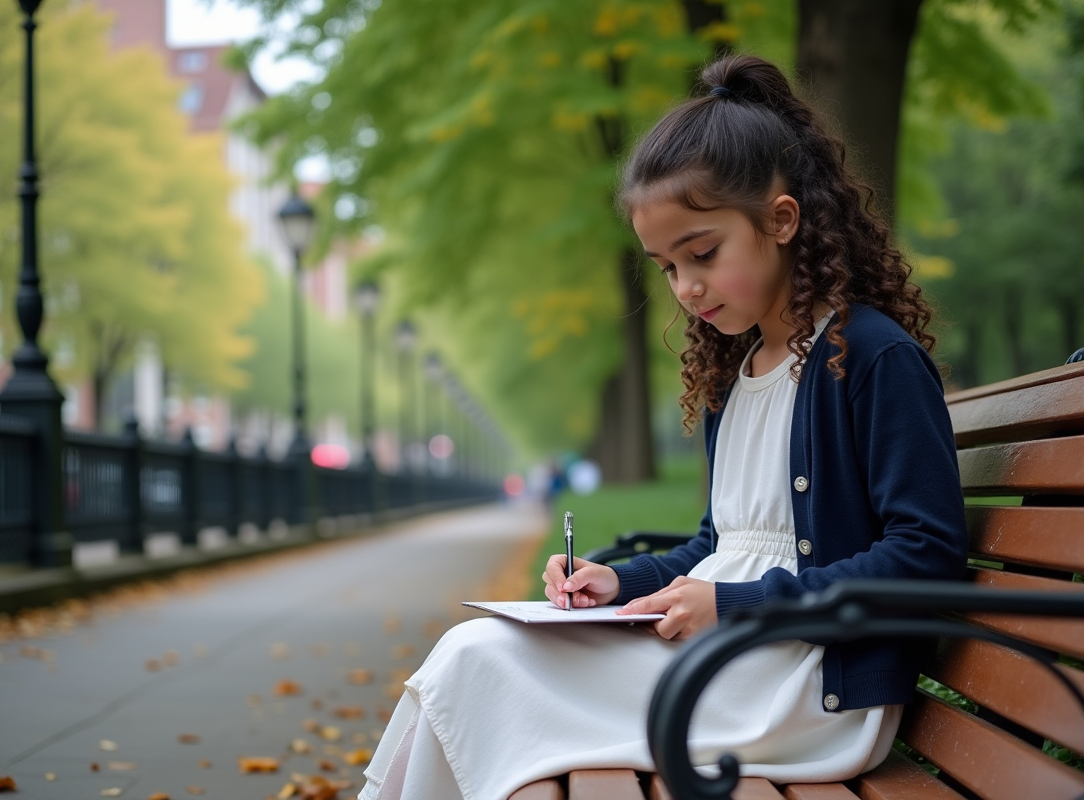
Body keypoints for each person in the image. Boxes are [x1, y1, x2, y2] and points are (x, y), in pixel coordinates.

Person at [358, 53, 968, 800]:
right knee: (473, 652)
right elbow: (722, 548)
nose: (686, 288)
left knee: (477, 665)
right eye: (666, 267)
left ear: (782, 220)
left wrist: (734, 608)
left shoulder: (868, 358)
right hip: (732, 654)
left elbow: (926, 555)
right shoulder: (739, 374)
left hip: (805, 687)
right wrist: (618, 582)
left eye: (703, 254)